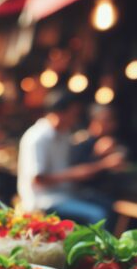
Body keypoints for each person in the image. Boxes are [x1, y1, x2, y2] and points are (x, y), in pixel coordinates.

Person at [17, 91, 123, 226]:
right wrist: (75, 174)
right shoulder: (37, 138)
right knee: (98, 215)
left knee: (109, 204)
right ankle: (95, 247)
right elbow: (38, 179)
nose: (76, 119)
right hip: (45, 200)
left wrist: (97, 155)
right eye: (74, 114)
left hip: (67, 195)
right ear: (60, 113)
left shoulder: (64, 134)